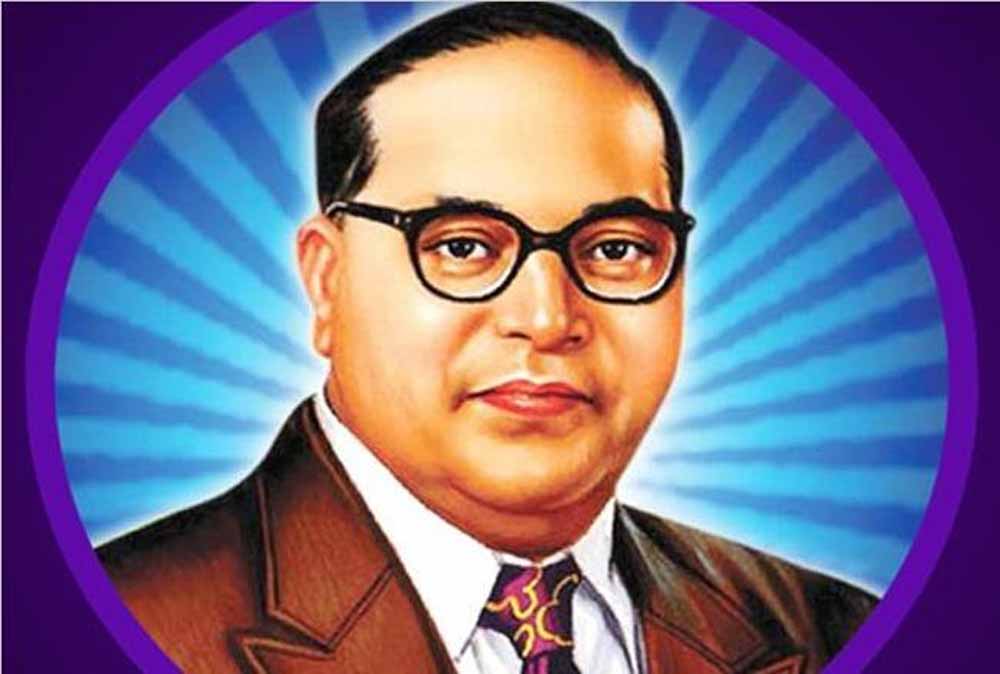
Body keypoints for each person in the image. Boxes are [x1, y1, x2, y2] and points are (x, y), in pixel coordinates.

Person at [98, 4, 876, 673]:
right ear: (328, 281)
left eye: (615, 248)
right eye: (463, 245)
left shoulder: (832, 630)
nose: (546, 318)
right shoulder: (122, 620)